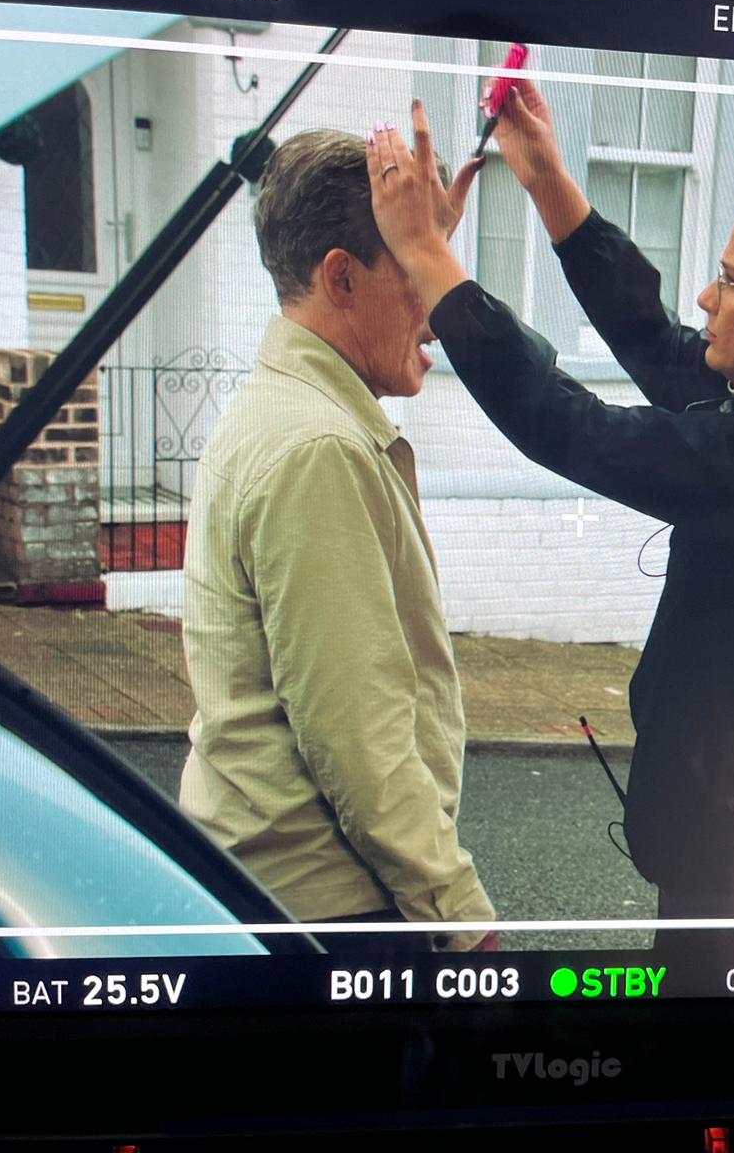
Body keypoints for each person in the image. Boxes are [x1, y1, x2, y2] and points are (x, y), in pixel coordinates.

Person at [367, 90, 734, 952]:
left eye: (732, 280)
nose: (708, 296)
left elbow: (576, 431)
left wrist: (425, 254)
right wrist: (548, 178)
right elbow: (647, 331)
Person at [179, 128, 497, 956]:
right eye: (415, 269)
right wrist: (459, 917)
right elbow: (359, 736)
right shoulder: (319, 448)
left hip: (272, 885)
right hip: (329, 911)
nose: (438, 305)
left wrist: (420, 237)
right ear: (341, 276)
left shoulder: (283, 410)